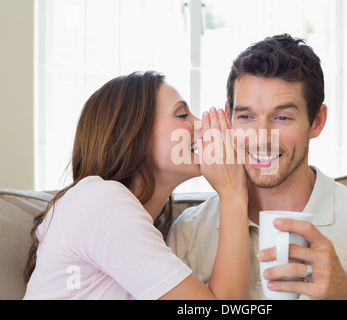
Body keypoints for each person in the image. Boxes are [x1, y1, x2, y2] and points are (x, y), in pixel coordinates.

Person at [167, 34, 347, 300]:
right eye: (246, 117)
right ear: (228, 118)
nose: (261, 137)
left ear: (317, 121)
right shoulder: (189, 232)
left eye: (282, 117)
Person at [23, 71, 250, 300]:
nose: (200, 125)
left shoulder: (138, 227)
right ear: (133, 134)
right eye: (182, 115)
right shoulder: (100, 199)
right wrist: (233, 193)